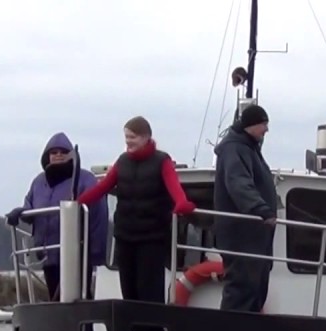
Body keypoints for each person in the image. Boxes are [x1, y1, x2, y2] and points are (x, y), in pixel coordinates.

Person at [74, 116, 196, 303]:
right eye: (126, 137)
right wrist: (77, 201)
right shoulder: (122, 162)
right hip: (125, 234)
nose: (128, 141)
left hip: (152, 236)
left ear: (146, 137)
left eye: (133, 137)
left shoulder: (162, 161)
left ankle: (152, 330)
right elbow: (102, 187)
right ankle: (131, 328)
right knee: (128, 285)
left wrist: (182, 203)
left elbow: (174, 187)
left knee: (148, 285)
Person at [6, 132, 108, 300]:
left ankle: (85, 326)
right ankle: (60, 325)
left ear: (71, 155)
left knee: (78, 299)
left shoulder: (85, 179)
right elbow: (30, 205)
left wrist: (95, 251)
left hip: (76, 252)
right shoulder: (39, 182)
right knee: (55, 297)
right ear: (47, 156)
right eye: (54, 152)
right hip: (48, 253)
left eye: (63, 151)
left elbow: (97, 213)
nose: (58, 155)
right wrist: (20, 212)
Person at [212, 104, 278, 313]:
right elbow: (238, 183)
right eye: (263, 124)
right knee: (242, 288)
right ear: (250, 125)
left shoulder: (249, 149)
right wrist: (262, 209)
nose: (266, 129)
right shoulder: (234, 149)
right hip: (242, 236)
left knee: (256, 289)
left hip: (255, 238)